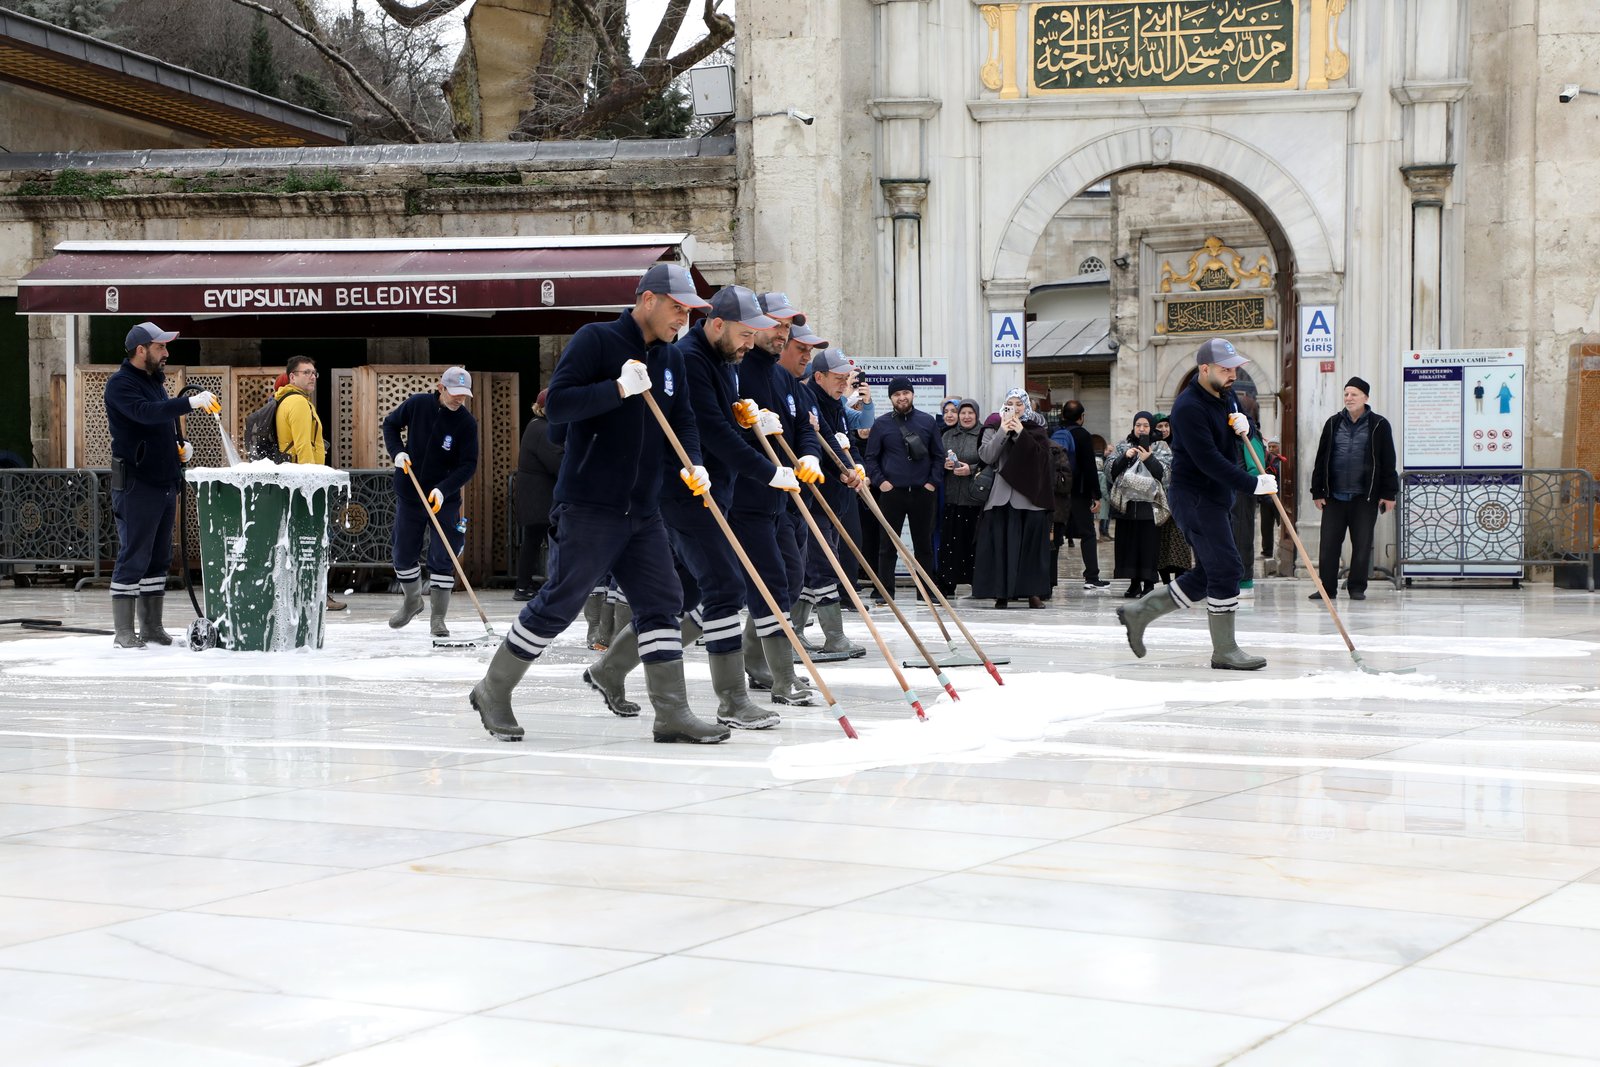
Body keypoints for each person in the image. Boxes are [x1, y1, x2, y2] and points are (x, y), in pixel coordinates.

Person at [469, 262, 726, 744]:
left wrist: (694, 461)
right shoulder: (596, 339)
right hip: (590, 504)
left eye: (690, 313)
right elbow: (559, 405)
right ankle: (494, 688)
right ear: (648, 300)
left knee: (663, 603)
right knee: (559, 603)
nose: (682, 321)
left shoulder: (672, 359)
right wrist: (617, 389)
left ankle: (671, 713)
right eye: (677, 309)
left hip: (643, 510)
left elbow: (685, 419)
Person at [586, 284, 801, 729]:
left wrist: (750, 418)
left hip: (713, 491)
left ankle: (609, 669)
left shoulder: (725, 359)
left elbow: (725, 422)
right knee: (725, 586)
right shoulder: (689, 361)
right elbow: (711, 432)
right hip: (682, 491)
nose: (748, 344)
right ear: (718, 325)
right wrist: (767, 470)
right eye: (744, 335)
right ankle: (732, 700)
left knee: (685, 596)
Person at [1117, 338, 1277, 670]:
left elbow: (1233, 435)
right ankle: (1225, 649)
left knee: (1208, 573)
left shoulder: (1226, 395)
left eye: (1234, 368)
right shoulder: (1188, 407)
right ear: (1204, 369)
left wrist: (1246, 426)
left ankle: (1138, 612)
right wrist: (1253, 484)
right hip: (1196, 498)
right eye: (1225, 369)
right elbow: (1209, 461)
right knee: (1227, 568)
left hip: (1216, 497)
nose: (1232, 374)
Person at [733, 303, 825, 700]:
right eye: (777, 325)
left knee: (787, 577)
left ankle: (760, 663)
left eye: (787, 327)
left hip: (782, 497)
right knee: (754, 585)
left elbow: (805, 425)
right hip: (744, 496)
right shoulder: (737, 370)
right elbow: (720, 432)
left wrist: (809, 456)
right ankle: (778, 674)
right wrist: (754, 435)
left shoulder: (783, 378)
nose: (784, 334)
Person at [104, 321, 214, 649]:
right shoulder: (121, 384)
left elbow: (161, 423)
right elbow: (146, 413)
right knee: (135, 553)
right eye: (160, 347)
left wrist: (178, 448)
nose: (166, 353)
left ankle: (151, 627)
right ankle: (124, 632)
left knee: (159, 556)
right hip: (137, 482)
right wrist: (188, 404)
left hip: (164, 480)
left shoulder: (154, 380)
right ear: (141, 350)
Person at [382, 367, 479, 640]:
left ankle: (438, 619)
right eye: (455, 393)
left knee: (442, 556)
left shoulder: (466, 423)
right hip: (411, 492)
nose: (459, 399)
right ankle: (413, 601)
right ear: (441, 387)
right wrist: (397, 451)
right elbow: (390, 424)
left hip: (443, 499)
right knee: (403, 553)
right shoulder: (418, 405)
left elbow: (468, 464)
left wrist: (443, 489)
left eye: (464, 395)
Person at [795, 346, 868, 656]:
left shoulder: (835, 402)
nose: (843, 384)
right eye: (838, 378)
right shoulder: (810, 399)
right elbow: (813, 445)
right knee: (824, 565)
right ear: (819, 376)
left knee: (820, 566)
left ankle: (795, 631)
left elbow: (841, 443)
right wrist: (839, 470)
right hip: (815, 499)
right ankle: (834, 636)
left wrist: (854, 467)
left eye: (846, 379)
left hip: (835, 498)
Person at [1309, 376, 1399, 602]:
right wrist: (1317, 491)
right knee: (1328, 546)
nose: (1349, 398)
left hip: (1364, 496)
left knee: (1361, 545)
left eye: (1354, 394)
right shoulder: (1333, 423)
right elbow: (1321, 459)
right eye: (1346, 394)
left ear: (1365, 398)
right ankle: (1326, 589)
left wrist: (1389, 494)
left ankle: (1356, 587)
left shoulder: (1379, 424)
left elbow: (1389, 461)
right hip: (1334, 496)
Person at [273, 355, 346, 612]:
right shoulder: (298, 403)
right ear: (292, 377)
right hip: (305, 484)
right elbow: (304, 446)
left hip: (292, 482)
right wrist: (312, 485)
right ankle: (315, 596)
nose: (312, 376)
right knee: (311, 541)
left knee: (298, 541)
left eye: (314, 372)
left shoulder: (287, 400)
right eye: (306, 372)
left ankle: (305, 594)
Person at [972, 389, 1054, 609]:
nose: (1015, 408)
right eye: (1010, 403)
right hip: (1001, 496)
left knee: (1030, 550)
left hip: (1030, 497)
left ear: (1027, 406)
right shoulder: (992, 428)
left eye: (1019, 403)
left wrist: (1020, 433)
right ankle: (1001, 593)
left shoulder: (1036, 429)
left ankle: (1032, 594)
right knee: (1001, 547)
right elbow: (987, 456)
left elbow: (1040, 459)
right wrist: (1002, 431)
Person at [864, 377, 942, 599]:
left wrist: (931, 484)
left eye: (905, 393)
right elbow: (871, 458)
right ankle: (885, 592)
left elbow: (939, 456)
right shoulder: (881, 424)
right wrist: (882, 483)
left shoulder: (928, 422)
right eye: (897, 394)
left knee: (924, 546)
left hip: (922, 493)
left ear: (913, 394)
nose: (902, 397)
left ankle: (927, 591)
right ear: (891, 398)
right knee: (887, 546)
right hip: (892, 493)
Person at [1108, 411, 1166, 599]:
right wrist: (1125, 456)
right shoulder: (1123, 445)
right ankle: (1134, 583)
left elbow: (1165, 475)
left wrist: (1148, 458)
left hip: (1149, 507)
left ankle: (1149, 583)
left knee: (1148, 545)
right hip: (1127, 506)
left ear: (1151, 427)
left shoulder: (1159, 447)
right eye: (1138, 425)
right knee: (1129, 545)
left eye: (1146, 425)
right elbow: (1111, 471)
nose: (1142, 429)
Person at [512, 389, 563, 601]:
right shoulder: (543, 430)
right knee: (546, 540)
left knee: (532, 541)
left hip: (534, 494)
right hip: (539, 496)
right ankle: (525, 586)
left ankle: (525, 583)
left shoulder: (536, 425)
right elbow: (557, 463)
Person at [937, 398, 986, 595]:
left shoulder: (984, 435)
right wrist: (944, 464)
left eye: (970, 413)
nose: (966, 417)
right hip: (952, 499)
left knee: (974, 544)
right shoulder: (948, 435)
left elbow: (990, 462)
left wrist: (971, 469)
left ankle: (978, 585)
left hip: (975, 499)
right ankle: (948, 584)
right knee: (951, 545)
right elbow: (937, 457)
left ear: (976, 415)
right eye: (963, 413)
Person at [1058, 400, 1107, 591]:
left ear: (1062, 416)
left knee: (1055, 535)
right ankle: (1091, 577)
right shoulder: (1083, 435)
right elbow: (1089, 468)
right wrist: (1096, 495)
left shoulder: (1054, 433)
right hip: (1079, 492)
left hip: (1058, 492)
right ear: (1081, 417)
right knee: (1087, 534)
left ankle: (1048, 579)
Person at [1230, 393, 1265, 597]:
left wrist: (1248, 483)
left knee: (1242, 535)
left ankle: (1244, 580)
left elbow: (1256, 465)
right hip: (1227, 491)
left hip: (1242, 493)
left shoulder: (1249, 432)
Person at [1151, 415, 1191, 584]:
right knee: (1161, 542)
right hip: (1159, 501)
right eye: (1159, 426)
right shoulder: (1151, 447)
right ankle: (1166, 580)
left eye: (1166, 425)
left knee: (1181, 540)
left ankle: (1181, 580)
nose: (1164, 429)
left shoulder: (1180, 444)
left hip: (1180, 500)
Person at [1260, 439, 1283, 558]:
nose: (1272, 449)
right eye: (1270, 447)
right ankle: (1267, 552)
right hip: (1266, 499)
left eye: (1274, 446)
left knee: (1282, 526)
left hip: (1280, 499)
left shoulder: (1283, 461)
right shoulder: (1265, 460)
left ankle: (1281, 552)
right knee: (1266, 528)